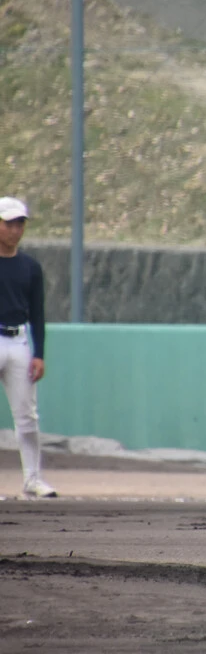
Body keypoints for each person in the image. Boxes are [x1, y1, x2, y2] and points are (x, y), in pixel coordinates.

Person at [0, 196, 56, 499]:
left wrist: (39, 353)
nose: (15, 230)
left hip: (18, 340)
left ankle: (33, 478)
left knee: (27, 416)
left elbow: (37, 312)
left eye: (19, 224)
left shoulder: (30, 267)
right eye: (9, 224)